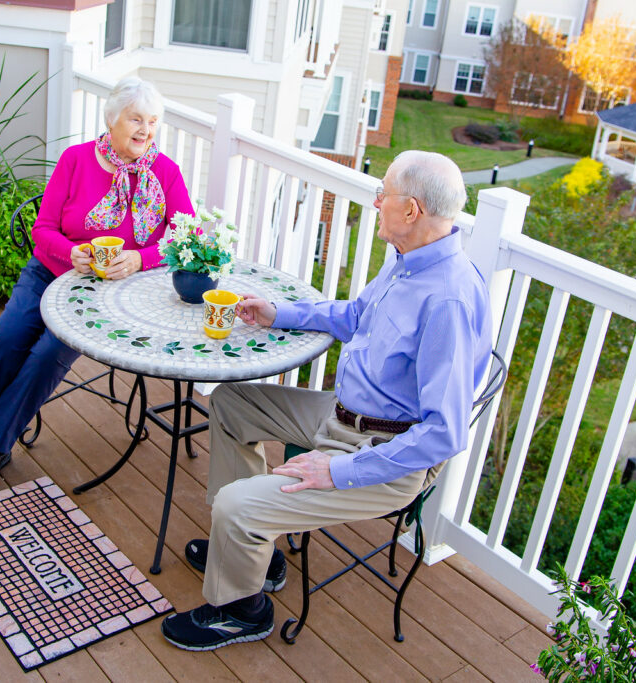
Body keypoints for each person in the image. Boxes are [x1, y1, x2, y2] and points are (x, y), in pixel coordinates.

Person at [160, 150, 493, 651]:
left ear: (412, 211)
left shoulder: (448, 298)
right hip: (342, 414)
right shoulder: (408, 263)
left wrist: (336, 472)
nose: (376, 200)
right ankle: (251, 548)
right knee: (232, 403)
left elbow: (444, 434)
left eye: (385, 193)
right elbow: (355, 315)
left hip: (382, 452)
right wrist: (279, 313)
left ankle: (242, 610)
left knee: (235, 502)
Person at [0, 77, 194, 500]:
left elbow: (187, 236)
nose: (146, 130)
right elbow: (43, 229)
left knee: (48, 353)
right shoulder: (76, 160)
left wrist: (140, 259)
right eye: (136, 119)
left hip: (106, 294)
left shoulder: (164, 172)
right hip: (51, 271)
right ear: (113, 121)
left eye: (153, 121)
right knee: (6, 339)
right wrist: (71, 252)